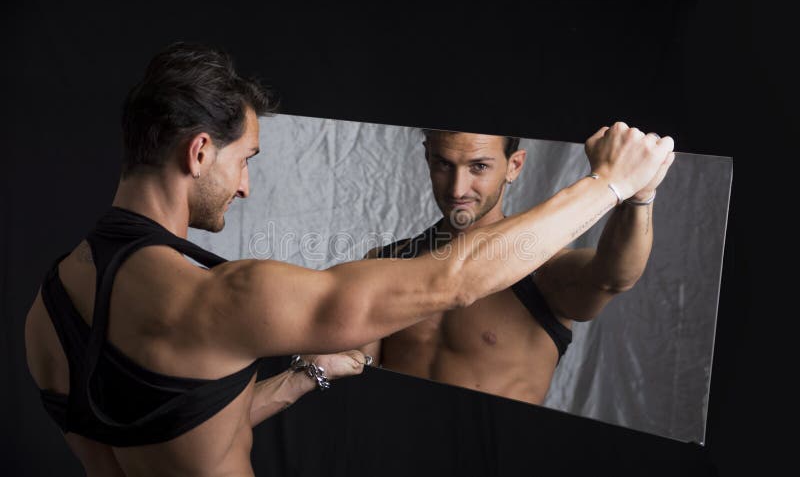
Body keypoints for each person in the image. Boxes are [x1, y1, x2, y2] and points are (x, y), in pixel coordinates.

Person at [23, 41, 673, 477]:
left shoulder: (47, 307)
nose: (246, 184)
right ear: (199, 153)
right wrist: (611, 184)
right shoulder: (218, 295)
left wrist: (306, 375)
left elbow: (164, 436)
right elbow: (452, 279)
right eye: (245, 159)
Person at [360, 129, 674, 405]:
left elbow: (612, 278)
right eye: (444, 163)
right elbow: (356, 373)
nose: (457, 189)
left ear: (515, 166)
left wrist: (640, 197)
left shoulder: (544, 273)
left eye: (478, 166)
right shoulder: (388, 261)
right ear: (428, 157)